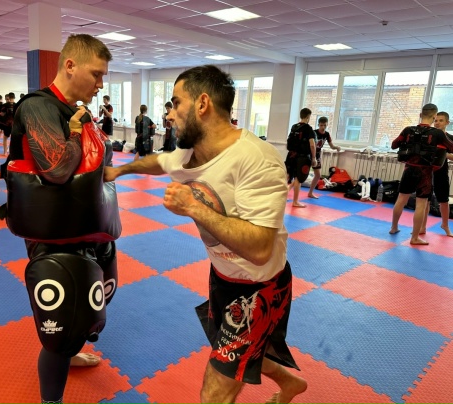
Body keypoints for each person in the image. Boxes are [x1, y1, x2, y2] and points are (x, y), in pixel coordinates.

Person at [105, 65, 307, 404]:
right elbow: (160, 162)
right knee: (239, 349)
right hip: (222, 278)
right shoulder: (190, 153)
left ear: (202, 104)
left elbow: (260, 248)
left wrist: (193, 207)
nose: (168, 114)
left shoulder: (256, 160)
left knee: (214, 392)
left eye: (175, 103)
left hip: (259, 288)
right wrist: (119, 170)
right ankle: (290, 383)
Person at [5, 34, 119, 404]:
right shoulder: (38, 107)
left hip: (86, 228)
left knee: (92, 304)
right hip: (53, 236)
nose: (100, 84)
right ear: (70, 65)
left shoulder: (75, 111)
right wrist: (75, 133)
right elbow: (56, 169)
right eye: (96, 74)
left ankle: (71, 354)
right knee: (61, 328)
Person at [389, 103, 453, 245]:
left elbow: (394, 145)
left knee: (401, 199)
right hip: (425, 173)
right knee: (421, 204)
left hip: (409, 170)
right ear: (434, 116)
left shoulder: (408, 130)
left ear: (420, 115)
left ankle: (394, 227)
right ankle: (415, 237)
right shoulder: (437, 134)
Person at [420, 111, 453, 236]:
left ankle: (445, 225)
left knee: (444, 200)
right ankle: (422, 226)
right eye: (436, 120)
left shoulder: (450, 138)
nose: (437, 123)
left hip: (441, 171)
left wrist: (443, 153)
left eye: (441, 120)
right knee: (425, 200)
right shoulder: (429, 135)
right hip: (427, 171)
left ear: (447, 122)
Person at [285, 108, 317, 207]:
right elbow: (312, 145)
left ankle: (281, 196)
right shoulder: (308, 128)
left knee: (288, 176)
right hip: (302, 157)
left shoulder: (294, 127)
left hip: (291, 155)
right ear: (308, 117)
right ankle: (295, 202)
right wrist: (314, 158)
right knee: (298, 178)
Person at [307, 116, 340, 199]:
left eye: (325, 125)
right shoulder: (313, 132)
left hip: (317, 155)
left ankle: (310, 193)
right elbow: (309, 144)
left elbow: (331, 146)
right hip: (309, 154)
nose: (323, 127)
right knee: (302, 175)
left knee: (318, 175)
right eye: (321, 125)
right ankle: (289, 189)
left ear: (327, 125)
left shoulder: (327, 134)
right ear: (318, 125)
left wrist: (336, 147)